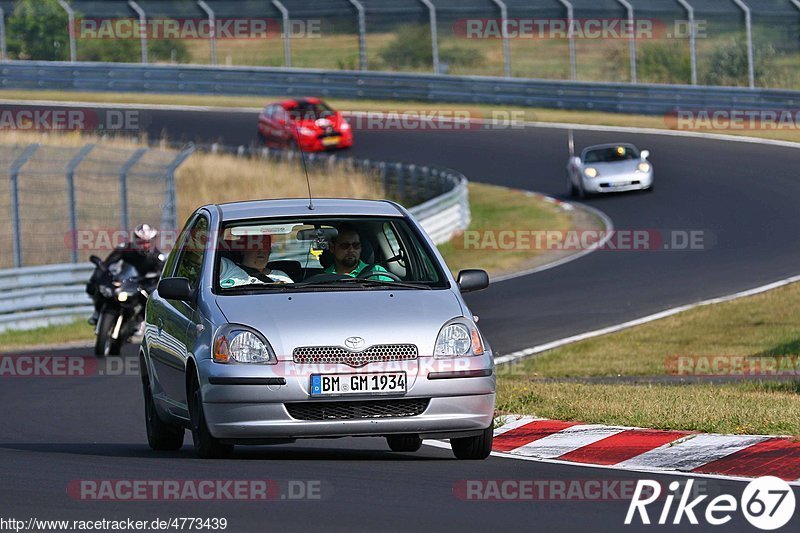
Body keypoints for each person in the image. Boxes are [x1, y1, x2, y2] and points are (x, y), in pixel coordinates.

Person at [87, 223, 165, 325]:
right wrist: (103, 269)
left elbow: (162, 273)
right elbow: (109, 263)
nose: (144, 245)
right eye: (141, 242)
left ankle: (139, 321)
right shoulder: (125, 249)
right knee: (99, 282)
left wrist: (154, 276)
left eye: (147, 242)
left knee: (153, 297)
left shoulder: (157, 256)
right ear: (135, 240)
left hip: (142, 284)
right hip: (125, 281)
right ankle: (97, 311)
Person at [322, 223, 393, 281]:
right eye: (345, 245)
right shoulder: (322, 277)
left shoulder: (377, 272)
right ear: (332, 248)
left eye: (356, 245)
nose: (351, 250)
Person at [219, 234, 293, 288]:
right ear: (243, 249)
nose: (261, 250)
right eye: (255, 245)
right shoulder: (228, 268)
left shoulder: (280, 276)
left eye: (265, 246)